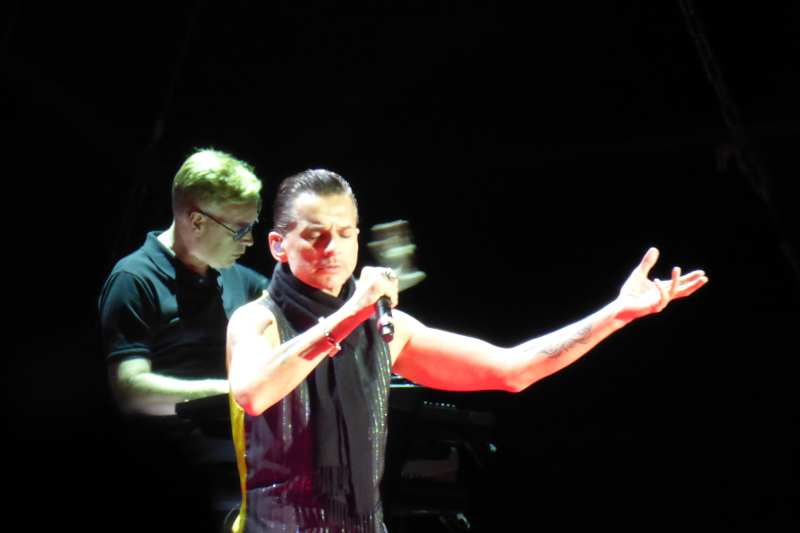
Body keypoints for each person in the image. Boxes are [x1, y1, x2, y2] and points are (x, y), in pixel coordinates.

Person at [226, 169, 708, 533]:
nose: (332, 247)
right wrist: (351, 313)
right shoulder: (257, 320)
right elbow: (253, 393)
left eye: (345, 232)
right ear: (278, 245)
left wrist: (617, 314)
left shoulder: (386, 327)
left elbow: (512, 370)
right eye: (315, 234)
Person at [98, 148, 268, 529]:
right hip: (170, 486)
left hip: (242, 476)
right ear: (197, 221)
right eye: (239, 229)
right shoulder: (134, 279)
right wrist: (229, 393)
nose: (249, 240)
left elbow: (302, 308)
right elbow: (129, 390)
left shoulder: (237, 277)